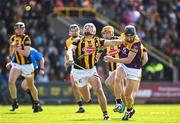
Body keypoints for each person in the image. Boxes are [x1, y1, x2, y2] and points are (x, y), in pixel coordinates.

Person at [67, 23, 110, 120]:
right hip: (78, 71)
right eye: (86, 26)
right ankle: (87, 88)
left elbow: (112, 43)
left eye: (91, 27)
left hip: (91, 70)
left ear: (94, 32)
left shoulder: (98, 41)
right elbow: (69, 50)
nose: (88, 28)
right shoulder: (78, 40)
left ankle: (106, 114)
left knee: (99, 90)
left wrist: (124, 40)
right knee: (86, 99)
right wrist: (69, 58)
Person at [103, 25, 143, 120]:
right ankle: (119, 103)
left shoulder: (136, 43)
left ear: (134, 35)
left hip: (133, 68)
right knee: (117, 78)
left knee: (128, 95)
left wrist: (113, 59)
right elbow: (112, 42)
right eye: (127, 36)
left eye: (131, 36)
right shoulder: (121, 37)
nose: (129, 38)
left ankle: (129, 110)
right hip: (123, 65)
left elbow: (129, 60)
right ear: (124, 34)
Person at [6, 22, 42, 112]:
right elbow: (11, 49)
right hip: (17, 64)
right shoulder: (13, 37)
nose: (19, 30)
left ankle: (36, 102)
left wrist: (17, 48)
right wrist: (10, 61)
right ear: (15, 29)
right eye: (17, 28)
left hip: (27, 65)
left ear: (24, 29)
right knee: (11, 81)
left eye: (21, 28)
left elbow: (26, 53)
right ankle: (14, 102)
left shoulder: (26, 38)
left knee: (30, 86)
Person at [101, 26, 125, 113]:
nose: (106, 34)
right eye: (104, 33)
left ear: (112, 33)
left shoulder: (118, 40)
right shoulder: (104, 43)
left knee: (108, 83)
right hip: (111, 69)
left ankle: (120, 103)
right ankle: (126, 106)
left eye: (108, 32)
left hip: (120, 67)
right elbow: (99, 51)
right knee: (119, 90)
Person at [64, 24, 85, 113]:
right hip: (75, 65)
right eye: (72, 31)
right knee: (74, 85)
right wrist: (67, 61)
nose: (74, 32)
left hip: (86, 65)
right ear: (69, 32)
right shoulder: (68, 41)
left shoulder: (83, 39)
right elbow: (67, 53)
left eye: (76, 30)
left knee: (88, 85)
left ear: (79, 31)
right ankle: (80, 106)